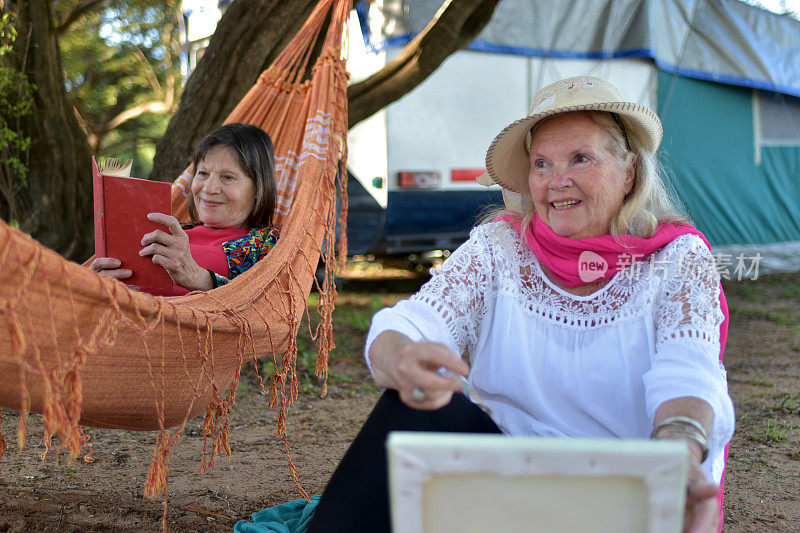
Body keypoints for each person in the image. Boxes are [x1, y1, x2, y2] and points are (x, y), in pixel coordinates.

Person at [307, 76, 734, 533]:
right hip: (505, 471)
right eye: (542, 163)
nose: (557, 181)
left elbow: (688, 373)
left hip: (616, 487)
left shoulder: (678, 258)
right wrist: (402, 358)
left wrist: (679, 455)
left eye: (580, 158)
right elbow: (413, 322)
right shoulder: (500, 246)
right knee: (415, 403)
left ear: (629, 171)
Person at [90, 123, 279, 296]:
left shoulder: (267, 244)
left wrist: (199, 279)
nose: (209, 188)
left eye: (228, 177)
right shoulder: (166, 231)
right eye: (203, 173)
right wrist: (95, 286)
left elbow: (265, 311)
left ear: (258, 188)